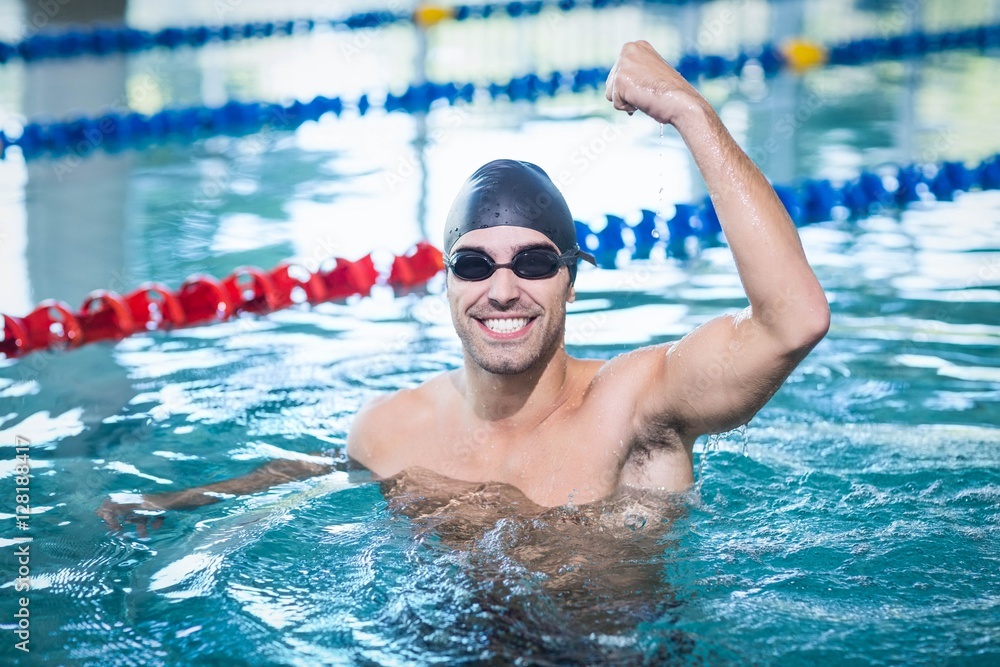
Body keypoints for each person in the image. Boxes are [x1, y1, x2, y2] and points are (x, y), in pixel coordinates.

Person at [99, 40, 829, 530]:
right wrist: (174, 503)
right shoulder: (389, 427)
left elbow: (792, 319)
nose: (502, 288)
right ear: (446, 287)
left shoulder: (636, 409)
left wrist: (690, 114)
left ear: (571, 280)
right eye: (475, 264)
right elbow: (314, 471)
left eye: (535, 262)